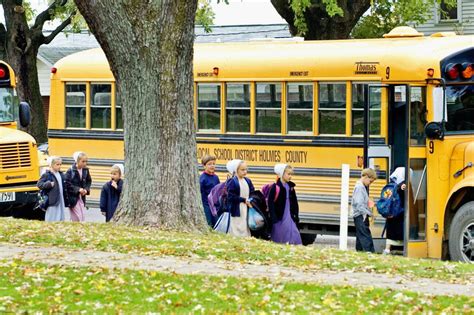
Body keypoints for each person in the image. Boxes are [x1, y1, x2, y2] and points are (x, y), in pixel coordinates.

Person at [268, 164, 302, 245]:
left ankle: (293, 246)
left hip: (289, 214)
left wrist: (296, 215)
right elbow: (270, 203)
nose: (290, 176)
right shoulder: (275, 187)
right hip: (279, 216)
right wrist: (273, 217)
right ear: (281, 173)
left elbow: (294, 202)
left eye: (291, 174)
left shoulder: (290, 187)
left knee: (294, 232)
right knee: (280, 234)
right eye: (288, 174)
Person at [226, 159, 254, 237]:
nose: (245, 171)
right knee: (237, 225)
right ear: (236, 170)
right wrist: (243, 200)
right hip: (237, 208)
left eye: (246, 169)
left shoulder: (248, 181)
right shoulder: (232, 182)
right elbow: (231, 197)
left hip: (247, 206)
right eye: (242, 170)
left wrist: (251, 199)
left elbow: (252, 192)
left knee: (245, 224)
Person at [383, 167, 408, 255]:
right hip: (399, 214)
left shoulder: (391, 184)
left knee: (391, 233)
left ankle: (387, 250)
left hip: (391, 214)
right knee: (400, 231)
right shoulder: (403, 185)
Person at [352, 168, 377, 253]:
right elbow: (359, 205)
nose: (370, 184)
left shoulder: (361, 186)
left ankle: (360, 251)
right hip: (360, 215)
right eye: (370, 181)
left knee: (360, 235)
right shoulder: (360, 187)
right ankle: (369, 252)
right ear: (366, 177)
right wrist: (370, 213)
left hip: (359, 215)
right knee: (365, 234)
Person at [37, 156, 69, 222]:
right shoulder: (47, 175)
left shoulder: (61, 174)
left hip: (60, 199)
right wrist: (48, 184)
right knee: (51, 216)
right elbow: (39, 184)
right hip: (51, 201)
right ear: (51, 165)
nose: (59, 166)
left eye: (60, 164)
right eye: (57, 164)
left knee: (60, 215)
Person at [65, 151, 92, 222]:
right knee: (77, 216)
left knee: (82, 214)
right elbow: (67, 183)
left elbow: (88, 181)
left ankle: (80, 228)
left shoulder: (85, 170)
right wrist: (78, 189)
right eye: (83, 161)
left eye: (86, 161)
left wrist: (86, 189)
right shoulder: (71, 171)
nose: (85, 163)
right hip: (73, 198)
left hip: (81, 197)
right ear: (77, 161)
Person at [199, 155, 220, 227]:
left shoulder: (216, 177)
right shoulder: (202, 178)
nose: (212, 166)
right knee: (209, 222)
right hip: (206, 205)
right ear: (204, 166)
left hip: (215, 205)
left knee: (216, 223)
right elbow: (200, 193)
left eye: (214, 164)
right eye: (209, 164)